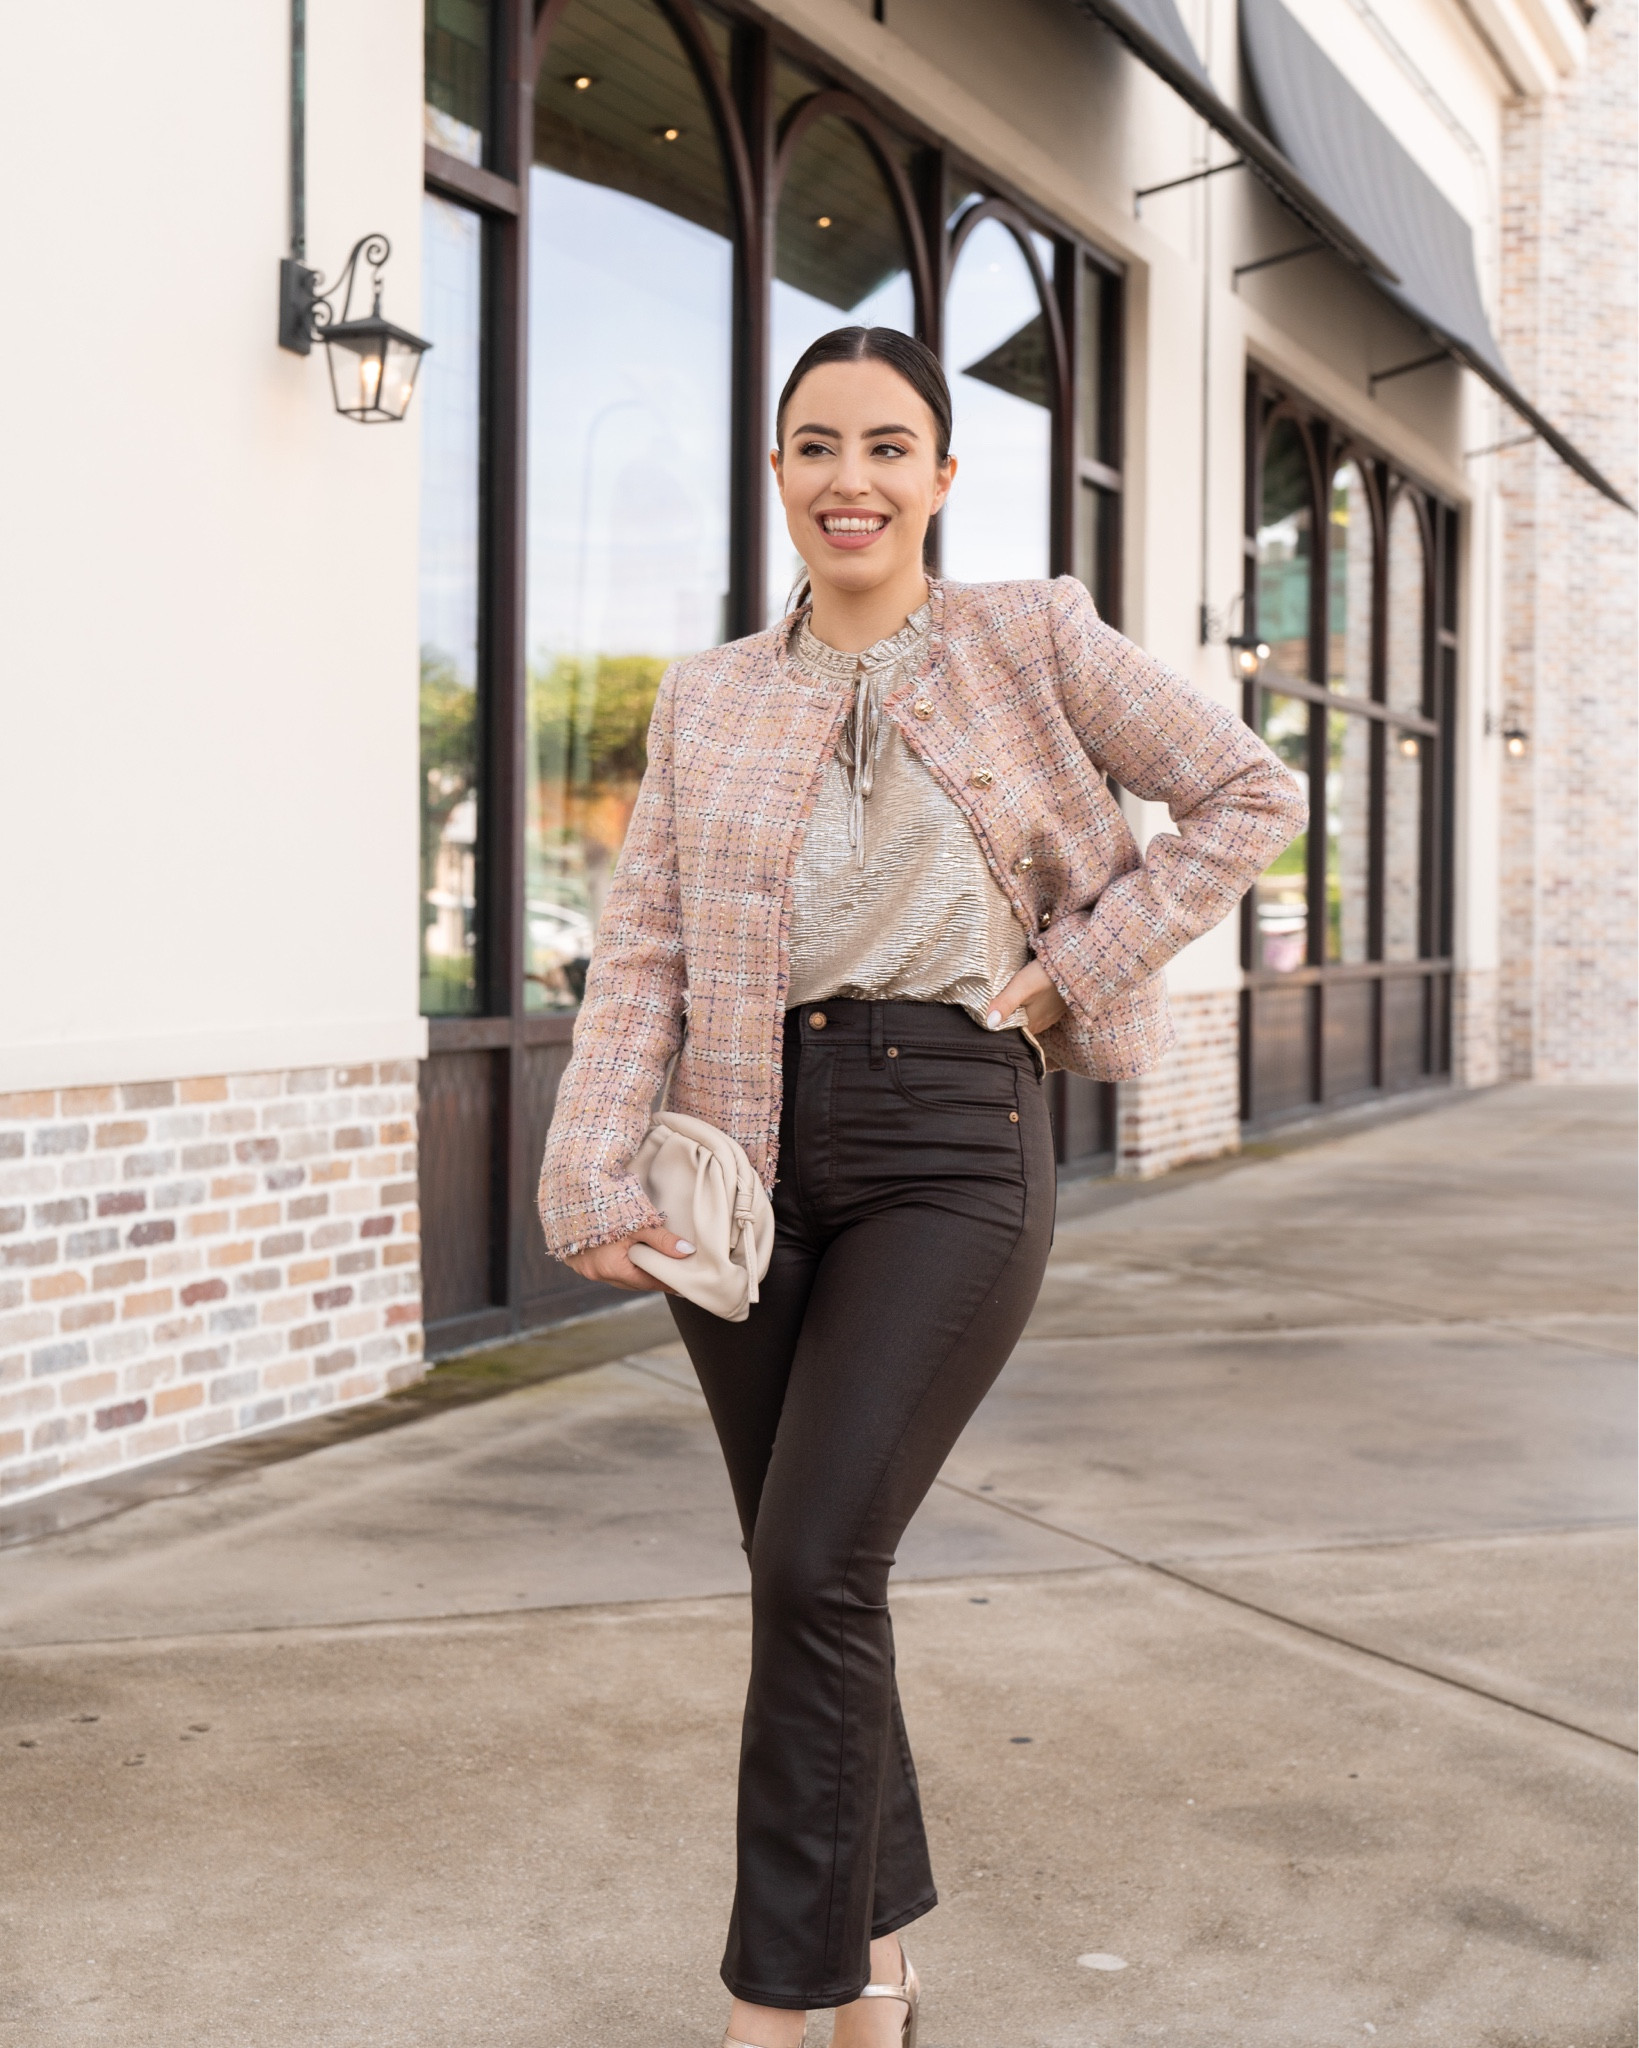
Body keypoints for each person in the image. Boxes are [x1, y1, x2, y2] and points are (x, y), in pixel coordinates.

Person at [538, 326, 1306, 2048]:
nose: (851, 478)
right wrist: (589, 1169)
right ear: (779, 475)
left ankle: (772, 2003)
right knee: (812, 1570)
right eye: (817, 446)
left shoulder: (1028, 637)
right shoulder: (709, 695)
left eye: (890, 447)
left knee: (816, 1556)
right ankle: (879, 1963)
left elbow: (1249, 793)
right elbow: (644, 948)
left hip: (951, 1135)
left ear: (943, 478)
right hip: (747, 1155)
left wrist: (1066, 975)